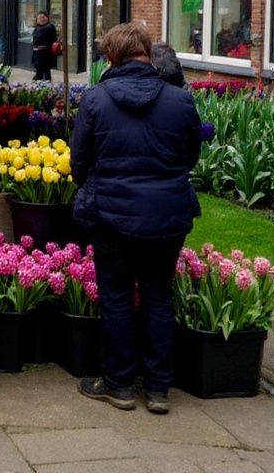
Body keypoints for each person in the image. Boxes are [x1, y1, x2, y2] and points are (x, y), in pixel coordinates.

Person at [70, 23, 202, 416]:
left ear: (111, 56)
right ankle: (159, 388)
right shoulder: (180, 101)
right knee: (159, 296)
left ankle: (119, 385)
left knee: (117, 298)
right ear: (147, 52)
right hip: (167, 215)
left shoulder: (96, 100)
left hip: (111, 215)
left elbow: (79, 164)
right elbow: (190, 156)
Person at [31, 11, 58, 82]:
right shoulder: (37, 27)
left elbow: (39, 38)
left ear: (47, 18)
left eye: (44, 17)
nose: (42, 19)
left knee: (45, 72)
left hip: (45, 53)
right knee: (39, 71)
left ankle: (45, 84)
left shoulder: (49, 27)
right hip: (37, 53)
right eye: (40, 17)